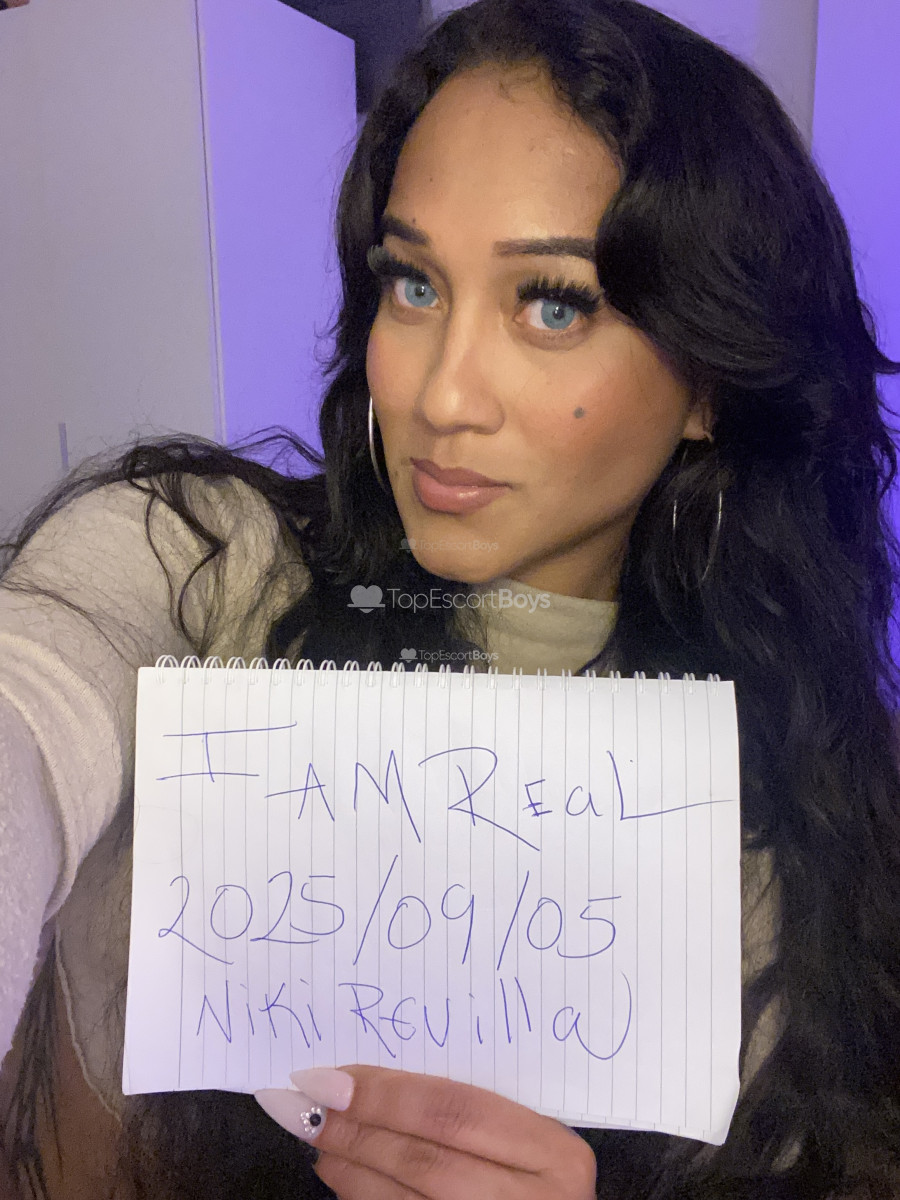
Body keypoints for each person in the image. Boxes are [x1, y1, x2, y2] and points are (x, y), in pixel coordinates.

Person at [2, 0, 899, 1195]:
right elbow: (33, 693)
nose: (441, 396)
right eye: (414, 284)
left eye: (553, 304)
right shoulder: (208, 564)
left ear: (709, 383)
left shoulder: (798, 820)